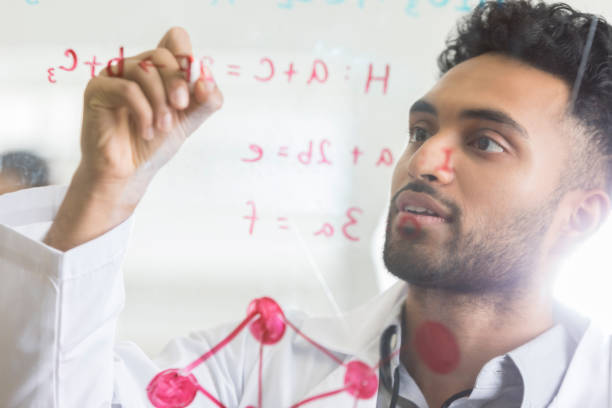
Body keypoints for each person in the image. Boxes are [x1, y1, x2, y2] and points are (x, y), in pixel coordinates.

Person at [1, 0, 611, 406]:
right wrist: (105, 187)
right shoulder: (253, 368)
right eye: (421, 133)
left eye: (485, 142)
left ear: (582, 214)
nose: (423, 162)